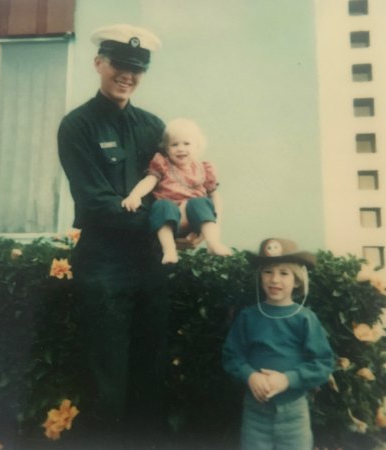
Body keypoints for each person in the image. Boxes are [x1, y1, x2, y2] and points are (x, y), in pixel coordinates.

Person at [57, 23, 176, 448]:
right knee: (107, 382)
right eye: (119, 66)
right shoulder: (78, 126)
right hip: (104, 267)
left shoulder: (153, 126)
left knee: (151, 375)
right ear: (98, 64)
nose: (127, 75)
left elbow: (172, 187)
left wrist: (188, 224)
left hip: (149, 264)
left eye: (136, 69)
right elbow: (95, 201)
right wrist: (164, 226)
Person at [222, 238, 334, 450]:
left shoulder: (305, 318)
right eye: (268, 272)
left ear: (297, 280)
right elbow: (231, 356)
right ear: (259, 276)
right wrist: (250, 375)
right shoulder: (248, 316)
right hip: (255, 412)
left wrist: (287, 379)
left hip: (294, 413)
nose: (275, 280)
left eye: (284, 273)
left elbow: (323, 363)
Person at [122, 118, 232, 264]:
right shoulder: (163, 165)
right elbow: (149, 181)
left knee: (200, 202)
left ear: (197, 147)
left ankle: (213, 243)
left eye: (186, 143)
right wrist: (135, 195)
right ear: (167, 149)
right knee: (162, 205)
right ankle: (169, 249)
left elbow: (214, 195)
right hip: (170, 216)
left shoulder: (203, 169)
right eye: (174, 144)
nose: (181, 148)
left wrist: (216, 218)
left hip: (195, 217)